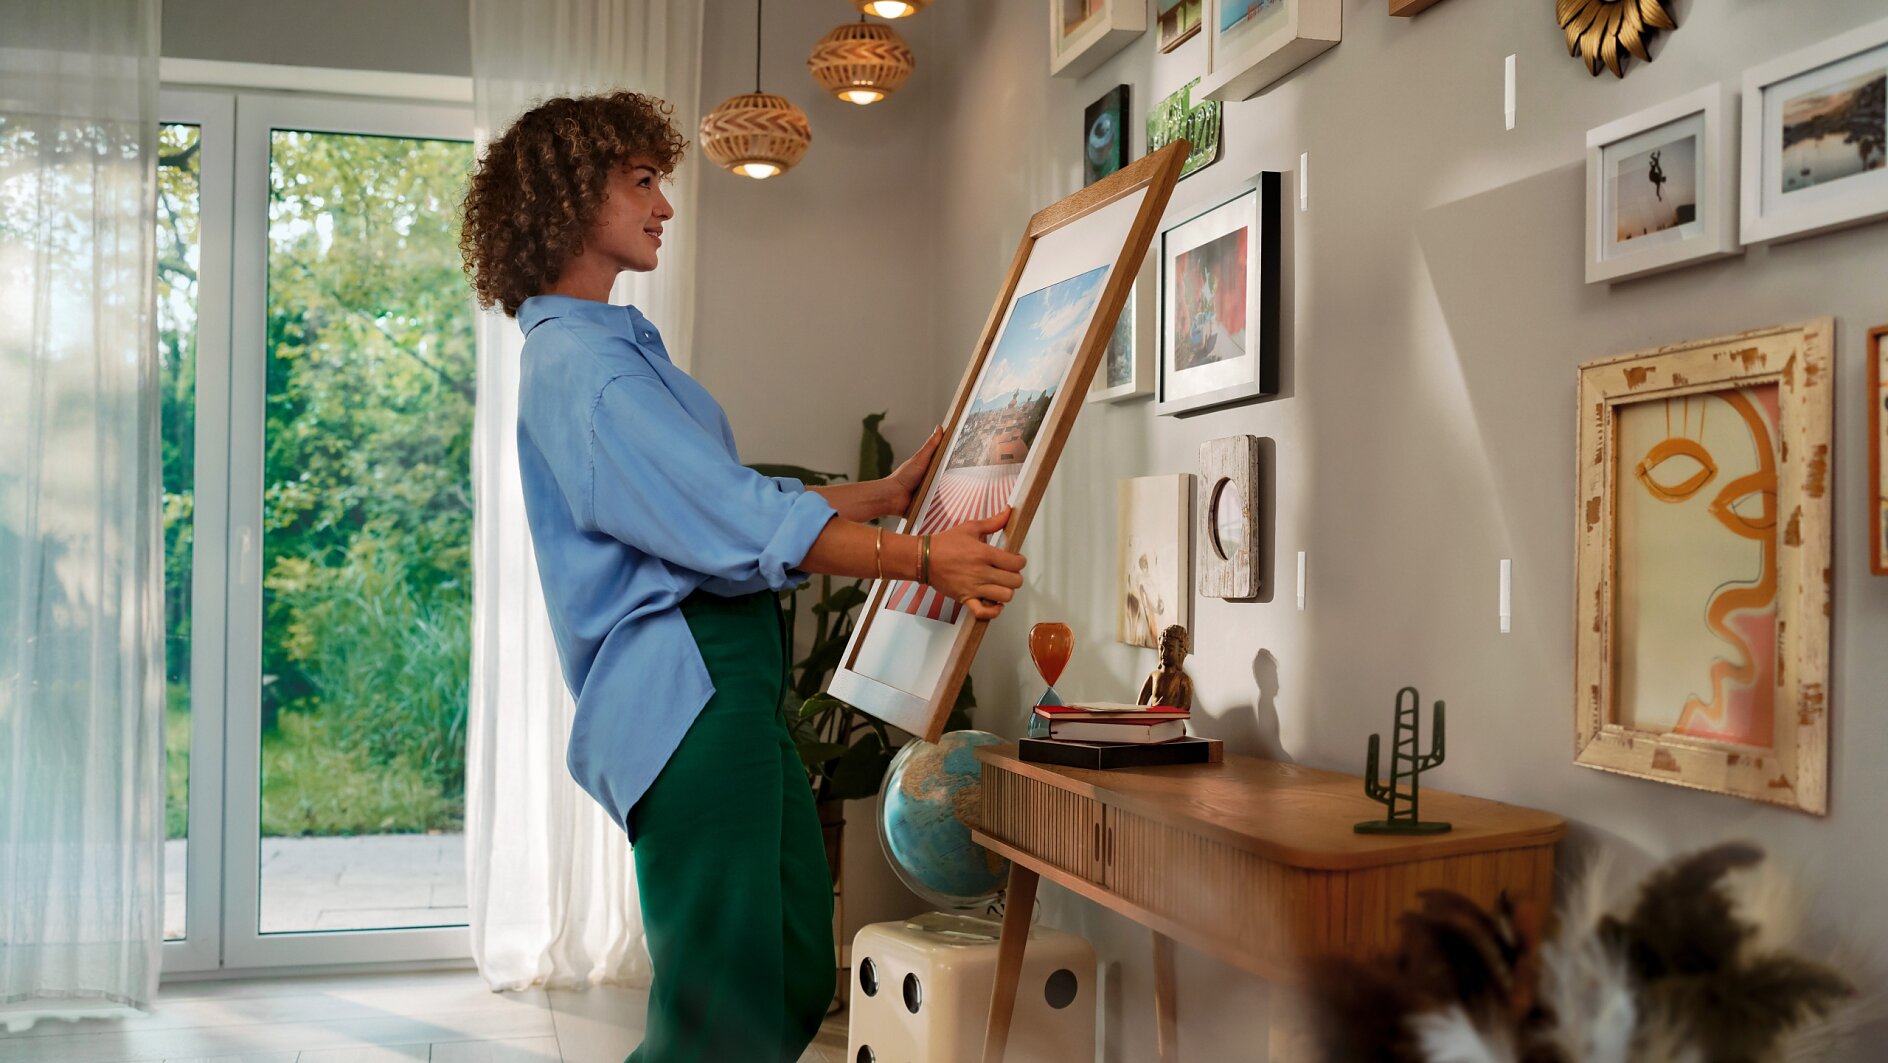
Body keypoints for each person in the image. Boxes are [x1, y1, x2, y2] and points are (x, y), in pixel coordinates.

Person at [458, 92, 1028, 1062]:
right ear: (563, 202)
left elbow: (715, 497)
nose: (664, 205)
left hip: (728, 682)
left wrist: (882, 495)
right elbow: (730, 518)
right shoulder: (584, 372)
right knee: (718, 1015)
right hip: (688, 690)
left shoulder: (612, 349)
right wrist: (925, 556)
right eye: (640, 181)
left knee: (795, 969)